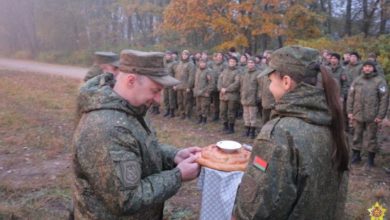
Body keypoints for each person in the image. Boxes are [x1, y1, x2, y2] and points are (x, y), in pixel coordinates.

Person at [73, 49, 201, 219]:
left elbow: (136, 147)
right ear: (131, 81)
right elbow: (127, 199)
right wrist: (177, 176)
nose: (159, 100)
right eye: (155, 90)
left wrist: (174, 156)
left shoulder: (131, 107)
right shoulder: (107, 128)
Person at [233, 46, 349, 219]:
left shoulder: (279, 133)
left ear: (286, 82)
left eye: (271, 81)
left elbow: (254, 210)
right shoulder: (334, 126)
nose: (270, 87)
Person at [347, 60, 389, 168]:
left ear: (374, 68)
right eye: (365, 66)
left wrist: (380, 116)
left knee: (371, 137)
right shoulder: (357, 80)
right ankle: (356, 156)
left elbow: (384, 99)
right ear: (362, 68)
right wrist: (350, 111)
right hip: (358, 114)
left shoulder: (379, 81)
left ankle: (370, 159)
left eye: (369, 67)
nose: (367, 68)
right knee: (356, 136)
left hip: (373, 116)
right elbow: (351, 96)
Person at [218, 56, 241, 134]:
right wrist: (220, 88)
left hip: (232, 95)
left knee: (231, 111)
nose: (231, 63)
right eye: (230, 61)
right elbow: (219, 80)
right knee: (222, 111)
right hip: (223, 94)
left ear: (236, 63)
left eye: (233, 62)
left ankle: (231, 128)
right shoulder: (224, 70)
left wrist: (226, 89)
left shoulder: (238, 72)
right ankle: (225, 126)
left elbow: (237, 83)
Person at [240, 58, 260, 139]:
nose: (250, 64)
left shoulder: (258, 73)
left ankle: (252, 131)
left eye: (252, 63)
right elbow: (241, 85)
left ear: (255, 64)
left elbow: (260, 87)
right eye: (249, 63)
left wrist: (258, 97)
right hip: (245, 97)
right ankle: (247, 129)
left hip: (253, 97)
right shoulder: (244, 73)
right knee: (246, 115)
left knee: (252, 115)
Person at [173, 50, 196, 120]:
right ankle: (181, 114)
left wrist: (189, 86)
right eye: (183, 54)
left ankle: (187, 115)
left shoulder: (191, 64)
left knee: (187, 101)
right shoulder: (179, 64)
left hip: (186, 87)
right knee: (180, 101)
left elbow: (192, 76)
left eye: (186, 55)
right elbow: (176, 75)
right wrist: (175, 85)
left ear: (188, 56)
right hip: (179, 86)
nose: (184, 56)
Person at [193, 58, 215, 124]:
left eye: (203, 63)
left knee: (204, 106)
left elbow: (211, 83)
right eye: (201, 63)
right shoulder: (197, 70)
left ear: (206, 63)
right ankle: (199, 118)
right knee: (198, 106)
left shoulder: (209, 71)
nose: (202, 64)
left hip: (204, 92)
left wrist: (208, 91)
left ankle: (204, 119)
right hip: (197, 92)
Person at [210, 52, 226, 121]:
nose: (219, 57)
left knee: (222, 102)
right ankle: (215, 114)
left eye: (220, 55)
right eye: (218, 56)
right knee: (215, 101)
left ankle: (222, 115)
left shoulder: (225, 65)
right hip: (214, 85)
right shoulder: (213, 64)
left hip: (221, 85)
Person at [163, 51, 178, 118]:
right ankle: (167, 110)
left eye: (168, 55)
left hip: (171, 83)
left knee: (171, 98)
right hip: (165, 83)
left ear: (171, 56)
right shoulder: (164, 63)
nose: (167, 56)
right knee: (166, 98)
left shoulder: (174, 63)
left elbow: (176, 74)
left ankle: (172, 113)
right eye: (166, 55)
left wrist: (175, 84)